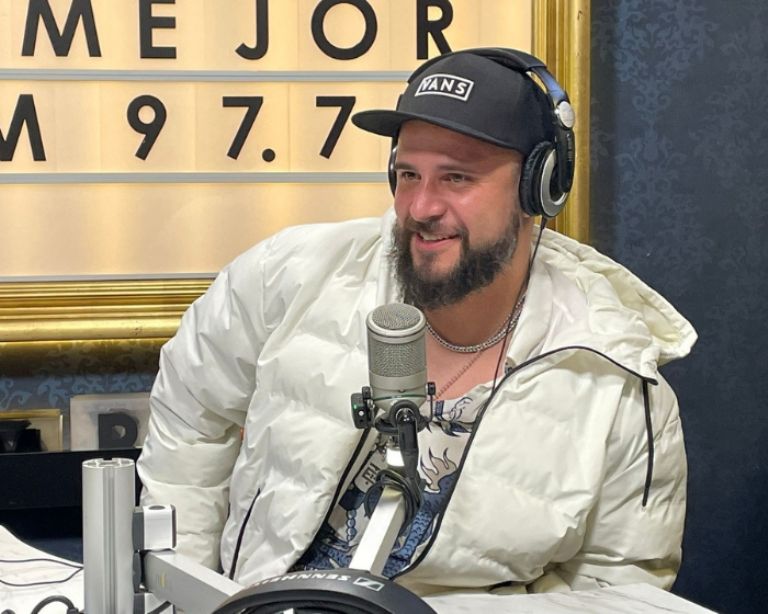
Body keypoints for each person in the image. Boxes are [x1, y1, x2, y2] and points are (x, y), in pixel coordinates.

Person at [137, 48, 697, 598]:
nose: (421, 207)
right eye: (408, 174)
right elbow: (190, 421)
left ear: (538, 189)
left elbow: (619, 591)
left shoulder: (619, 384)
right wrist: (188, 597)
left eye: (456, 178)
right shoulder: (287, 275)